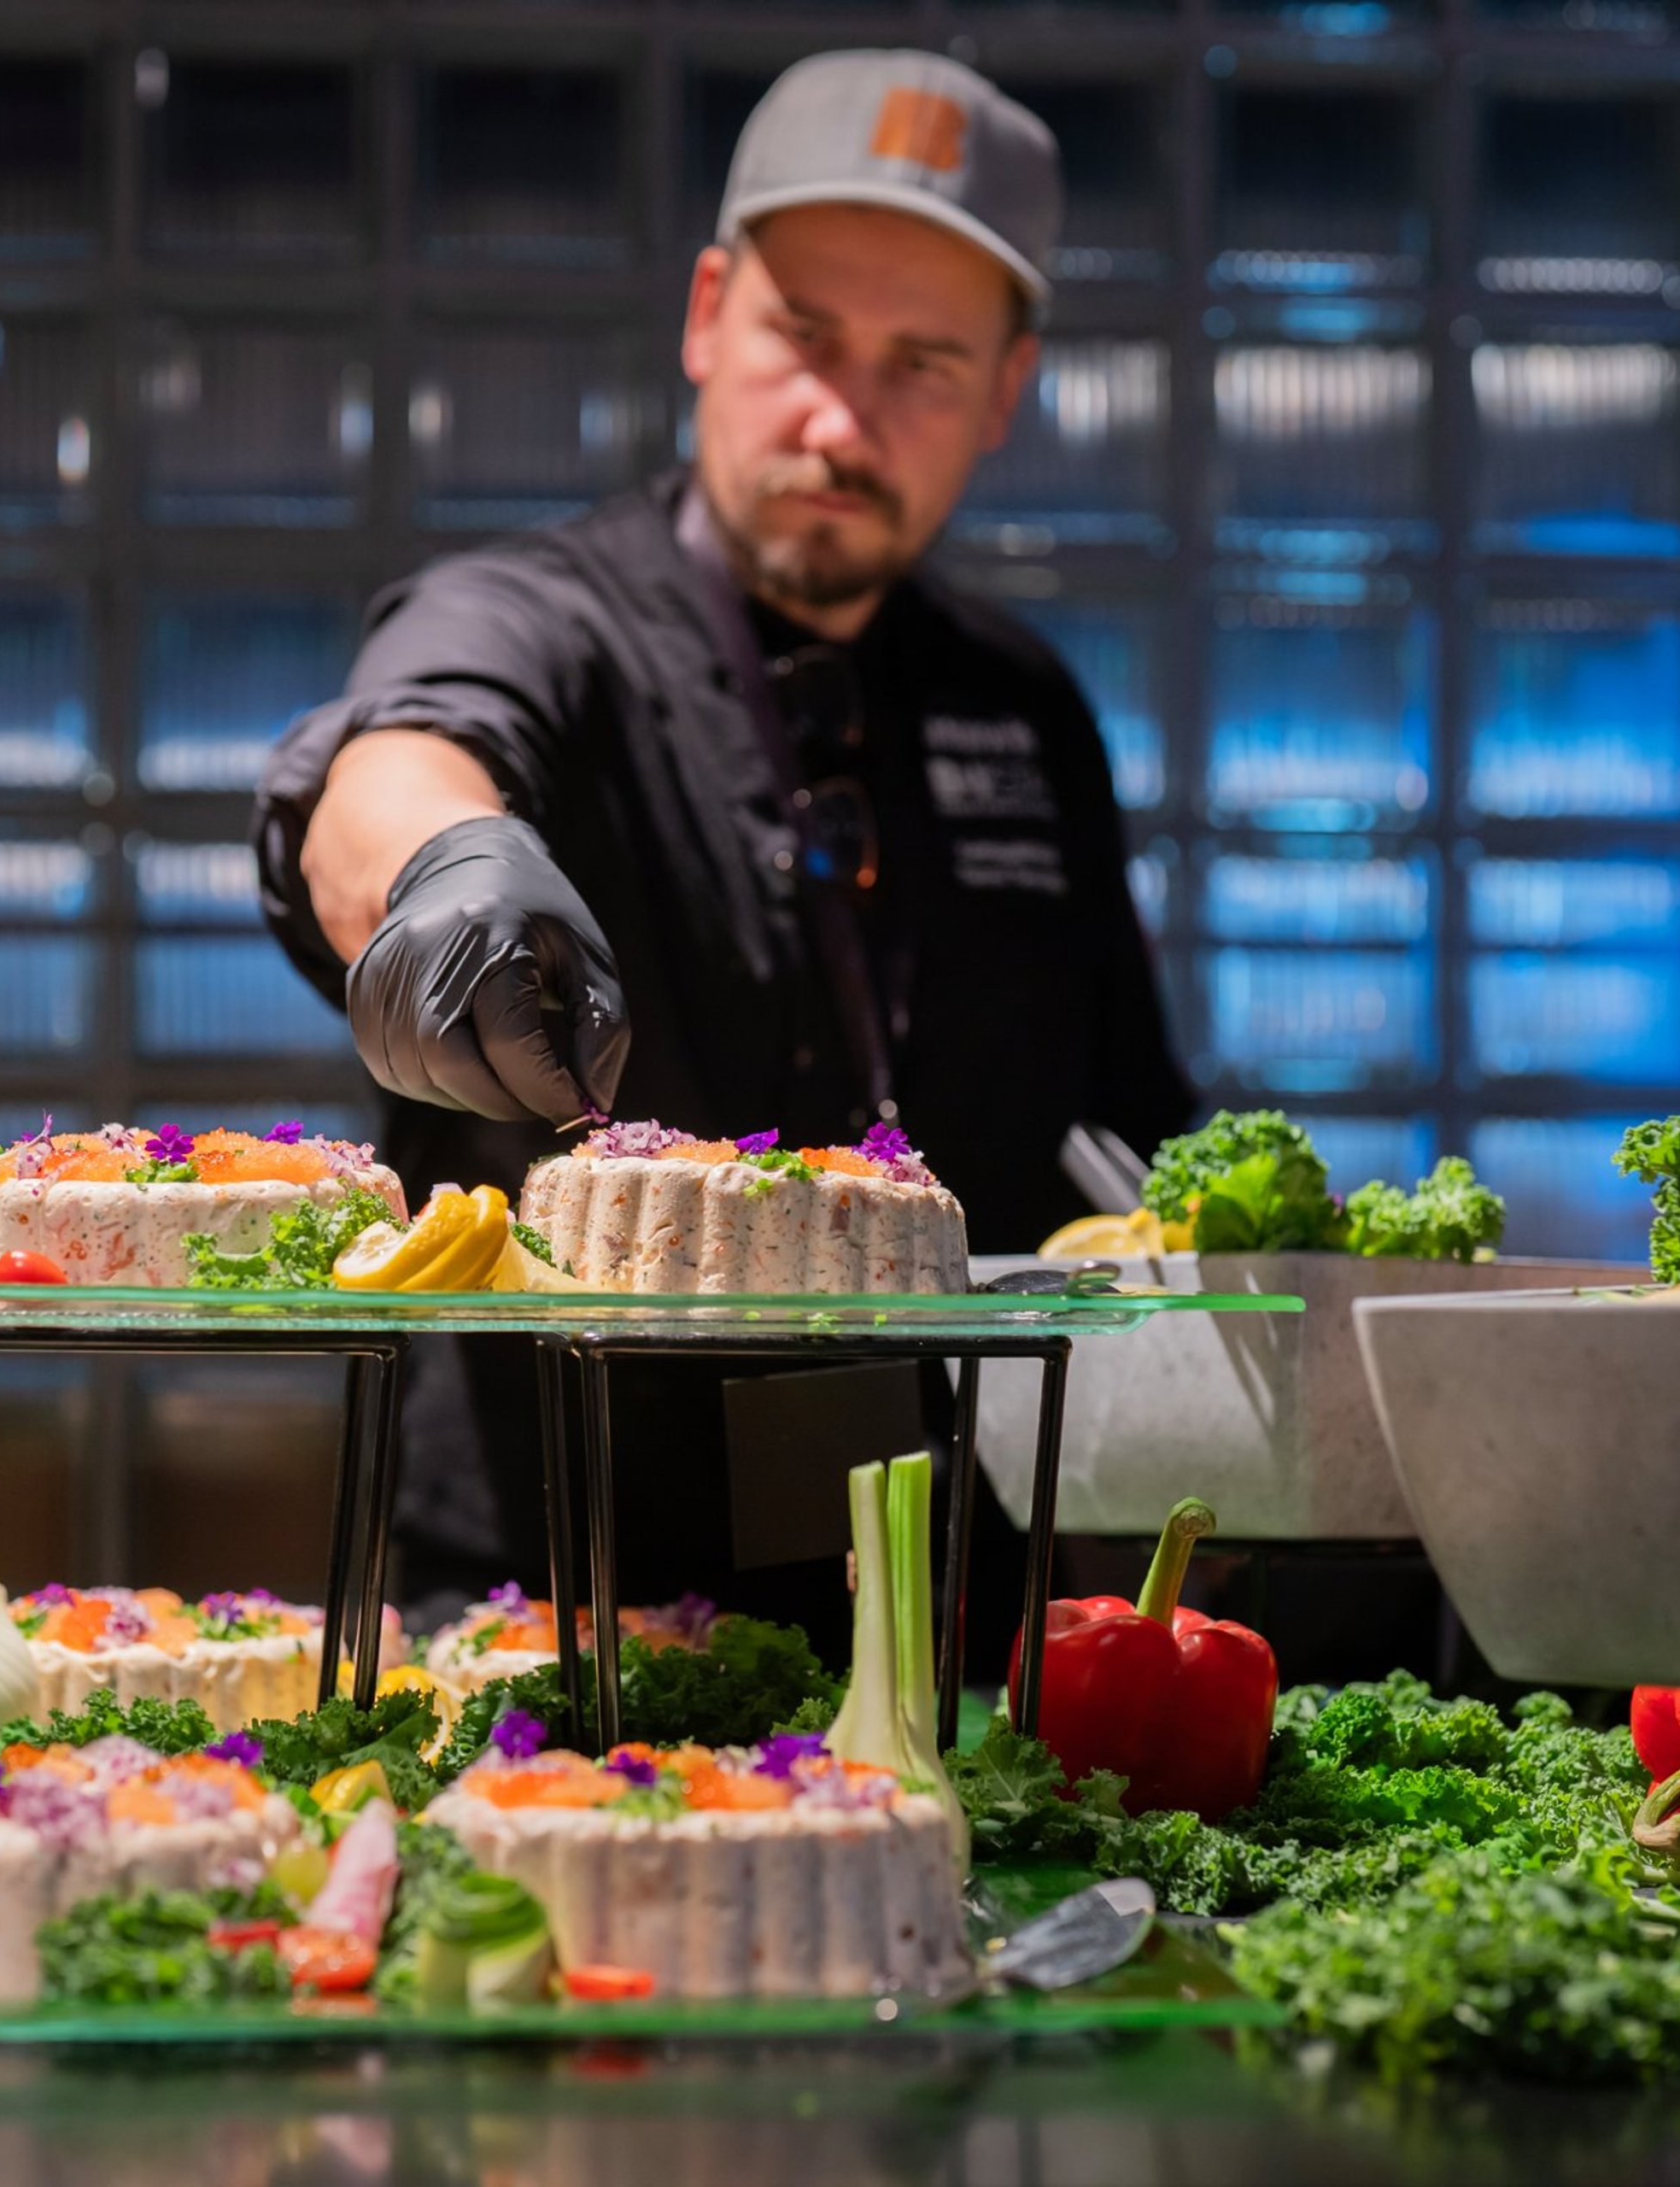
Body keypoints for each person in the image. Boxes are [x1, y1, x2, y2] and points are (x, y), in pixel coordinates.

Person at [252, 50, 1192, 1627]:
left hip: (939, 1578)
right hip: (555, 1591)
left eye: (923, 364)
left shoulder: (1024, 706)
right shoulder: (545, 614)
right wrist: (445, 873)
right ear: (706, 318)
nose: (840, 418)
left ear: (1006, 393)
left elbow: (1131, 1133)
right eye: (801, 338)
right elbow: (395, 755)